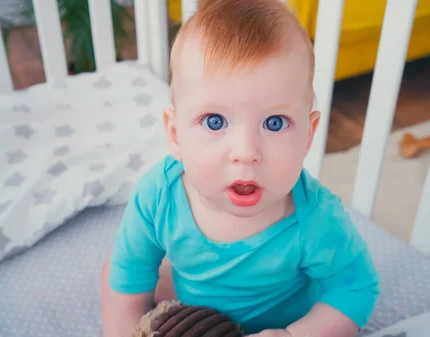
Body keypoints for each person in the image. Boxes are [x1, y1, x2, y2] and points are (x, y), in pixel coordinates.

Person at [101, 1, 380, 336]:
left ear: (308, 135)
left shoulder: (316, 219)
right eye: (215, 121)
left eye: (275, 123)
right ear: (175, 135)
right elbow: (128, 279)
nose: (246, 153)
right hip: (195, 315)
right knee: (117, 274)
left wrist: (293, 335)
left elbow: (355, 289)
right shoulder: (157, 197)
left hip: (282, 324)